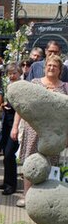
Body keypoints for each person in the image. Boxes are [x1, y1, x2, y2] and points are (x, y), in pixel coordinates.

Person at [12, 54, 68, 207]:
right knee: (31, 162)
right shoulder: (35, 83)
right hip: (33, 131)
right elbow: (21, 107)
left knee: (51, 163)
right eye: (49, 66)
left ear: (60, 70)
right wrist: (15, 126)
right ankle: (27, 197)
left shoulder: (65, 87)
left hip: (54, 135)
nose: (51, 68)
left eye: (54, 66)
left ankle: (47, 200)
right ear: (44, 68)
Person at [0, 63, 22, 195]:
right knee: (6, 153)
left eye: (14, 73)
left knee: (10, 154)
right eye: (9, 73)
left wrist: (15, 127)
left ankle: (12, 185)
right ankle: (7, 181)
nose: (12, 76)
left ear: (19, 73)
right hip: (6, 121)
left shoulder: (22, 86)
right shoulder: (8, 85)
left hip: (16, 124)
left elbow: (21, 107)